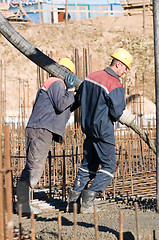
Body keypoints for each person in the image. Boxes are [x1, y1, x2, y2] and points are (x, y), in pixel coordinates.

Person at [67, 48, 133, 214]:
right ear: (118, 64)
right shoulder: (114, 84)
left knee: (88, 165)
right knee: (109, 167)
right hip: (103, 130)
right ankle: (88, 198)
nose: (125, 71)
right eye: (125, 67)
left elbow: (79, 99)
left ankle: (73, 203)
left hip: (88, 127)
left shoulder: (91, 77)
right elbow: (117, 112)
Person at [16, 57, 76, 214]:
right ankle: (22, 205)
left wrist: (72, 97)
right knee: (35, 166)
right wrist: (70, 91)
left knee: (33, 165)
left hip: (41, 129)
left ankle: (23, 203)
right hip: (40, 129)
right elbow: (61, 105)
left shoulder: (54, 84)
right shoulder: (56, 82)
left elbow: (64, 108)